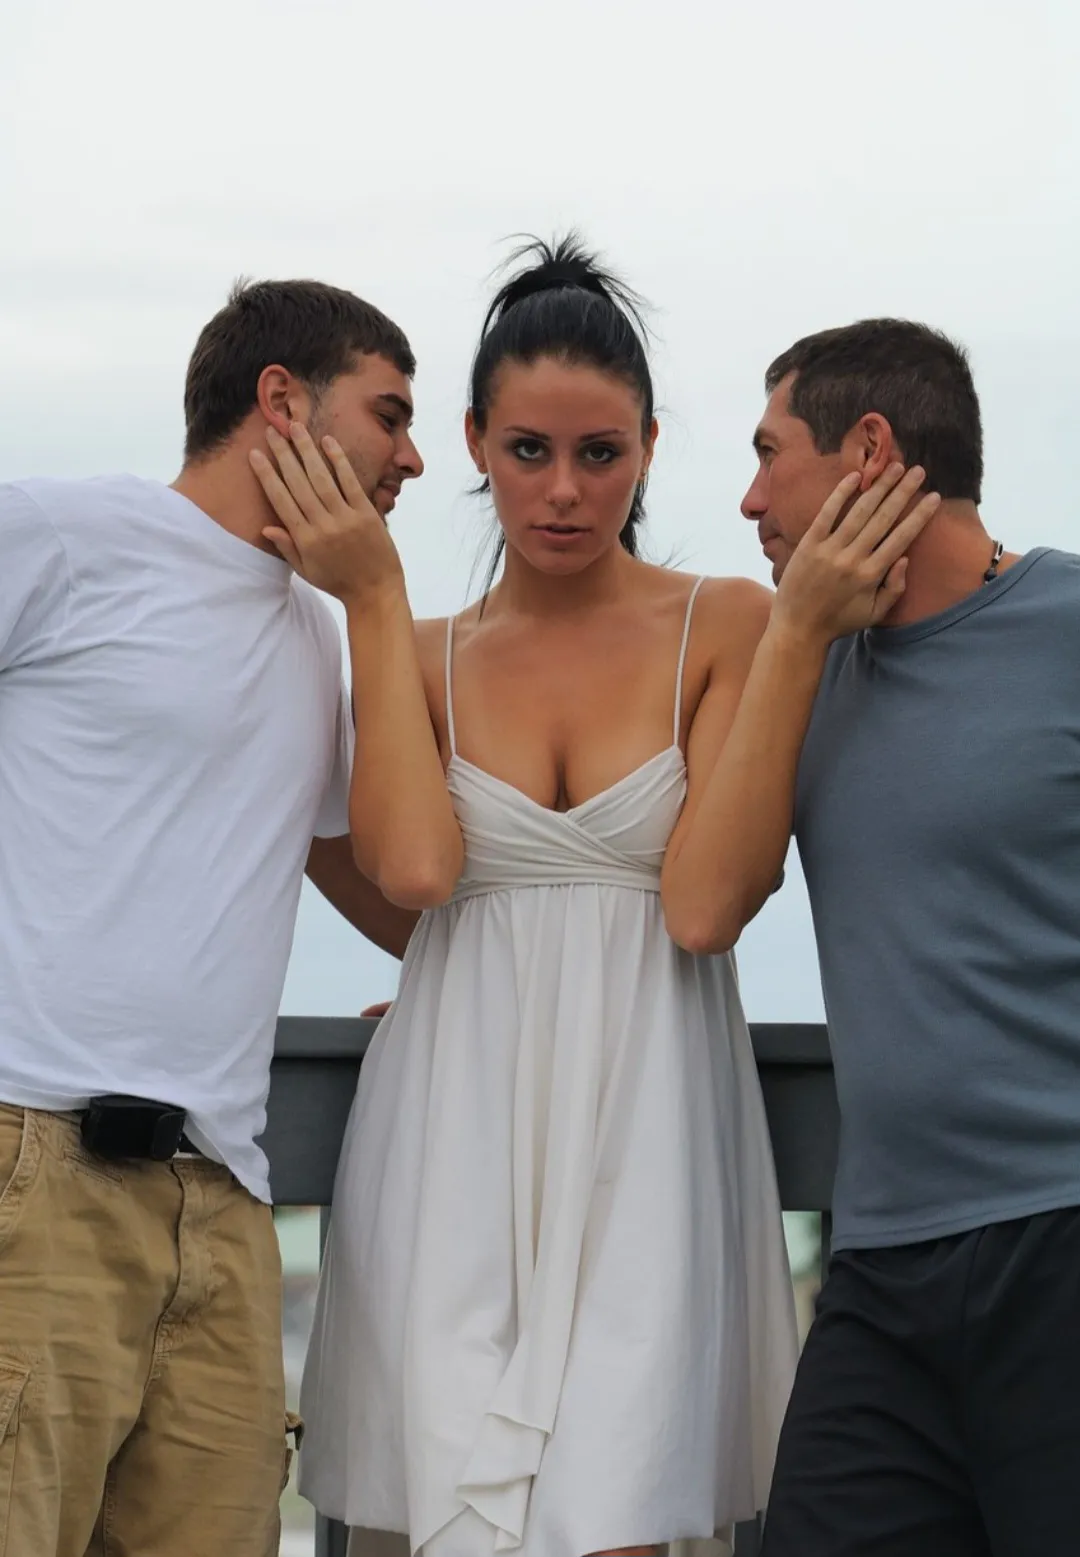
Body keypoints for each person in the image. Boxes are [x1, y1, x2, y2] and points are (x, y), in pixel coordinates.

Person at [249, 239, 936, 1557]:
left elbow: (708, 904)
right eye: (527, 451)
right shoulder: (416, 647)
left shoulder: (730, 622)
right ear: (473, 443)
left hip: (653, 1111)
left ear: (651, 449)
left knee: (619, 1507)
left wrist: (801, 632)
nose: (564, 491)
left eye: (601, 453)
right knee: (456, 1518)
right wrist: (375, 599)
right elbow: (415, 872)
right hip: (451, 1109)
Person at [0, 278, 421, 1557]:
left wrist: (468, 996)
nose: (411, 458)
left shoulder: (317, 636)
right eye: (390, 414)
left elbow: (380, 883)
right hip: (31, 1169)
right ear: (282, 400)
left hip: (226, 1204)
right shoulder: (60, 534)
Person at [734, 319, 1080, 1557]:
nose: (750, 500)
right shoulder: (802, 669)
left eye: (770, 455)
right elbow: (701, 904)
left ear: (869, 450)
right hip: (881, 1265)